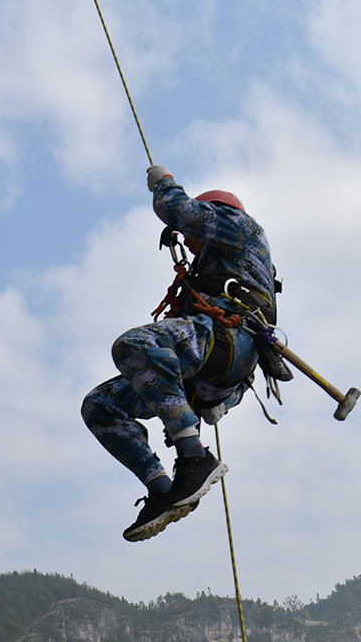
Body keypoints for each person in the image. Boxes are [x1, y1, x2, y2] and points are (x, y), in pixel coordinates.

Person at [81, 166, 277, 543]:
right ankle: (162, 490)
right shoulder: (210, 267)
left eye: (193, 236)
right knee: (99, 406)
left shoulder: (239, 226)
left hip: (228, 341)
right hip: (204, 365)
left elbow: (181, 212)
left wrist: (163, 183)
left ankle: (194, 454)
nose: (187, 241)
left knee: (134, 345)